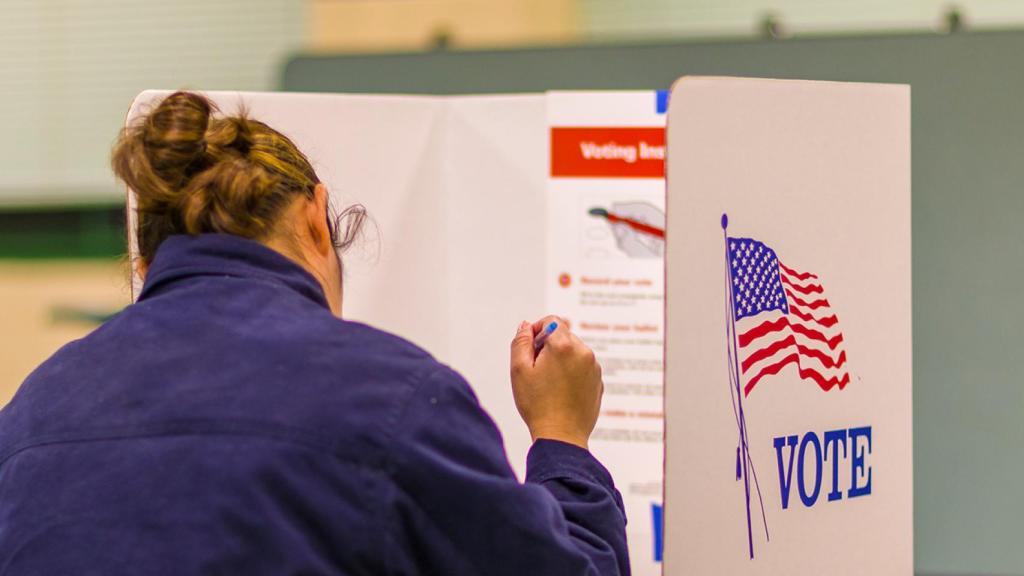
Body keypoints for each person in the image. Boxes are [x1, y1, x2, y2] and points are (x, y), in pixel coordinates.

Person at [0, 92, 629, 575]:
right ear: (316, 220)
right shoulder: (394, 398)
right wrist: (562, 437)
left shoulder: (28, 415)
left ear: (144, 265)